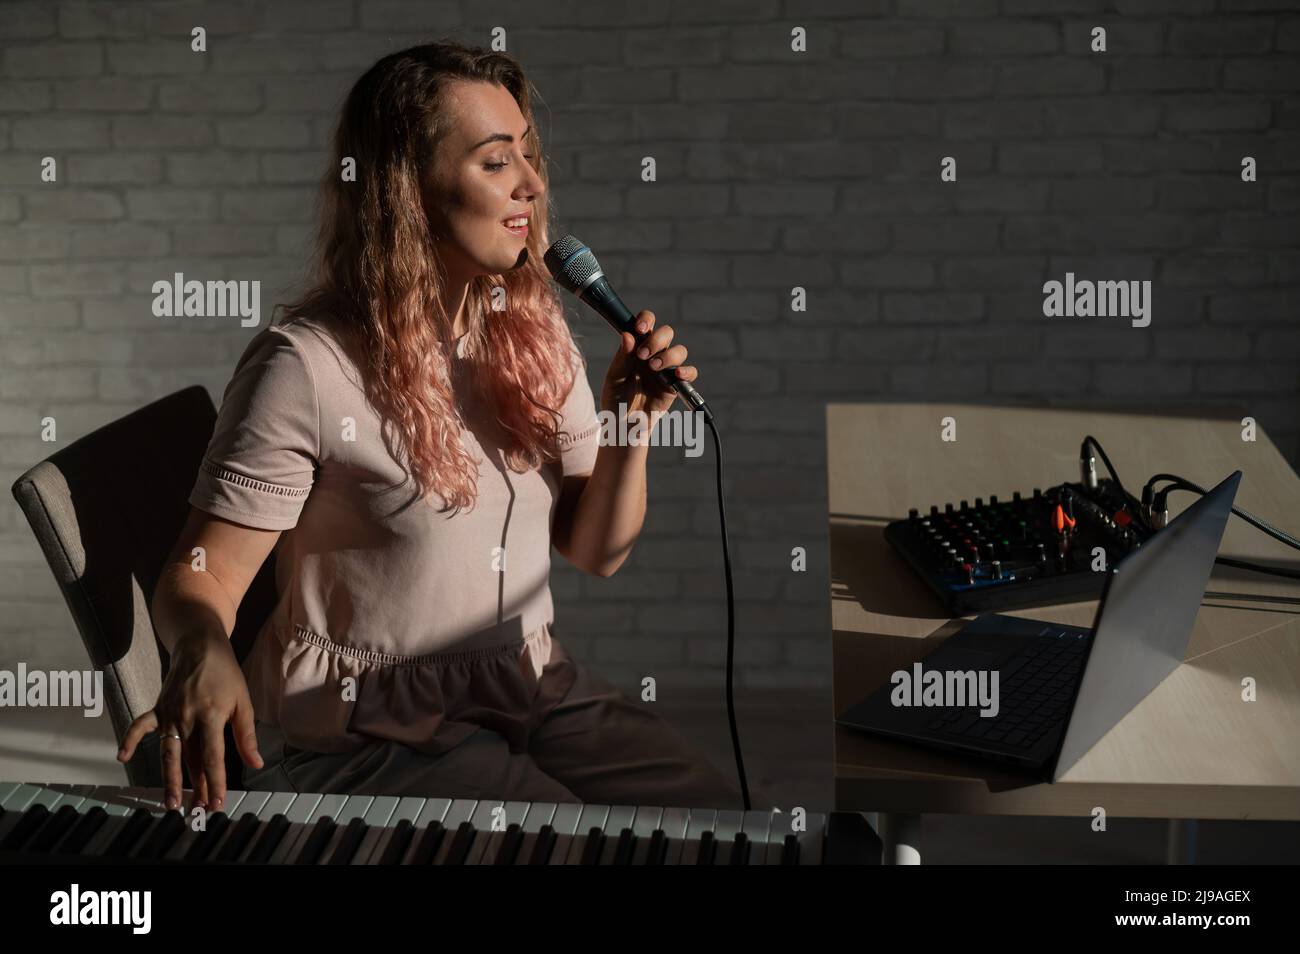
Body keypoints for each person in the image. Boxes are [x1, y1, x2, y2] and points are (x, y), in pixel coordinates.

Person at [118, 40, 745, 815]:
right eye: (494, 162)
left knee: (718, 819)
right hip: (365, 727)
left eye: (528, 154)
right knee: (577, 839)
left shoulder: (534, 331)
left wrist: (629, 427)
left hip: (529, 684)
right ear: (406, 189)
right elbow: (202, 576)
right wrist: (203, 646)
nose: (532, 184)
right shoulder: (306, 366)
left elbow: (596, 552)